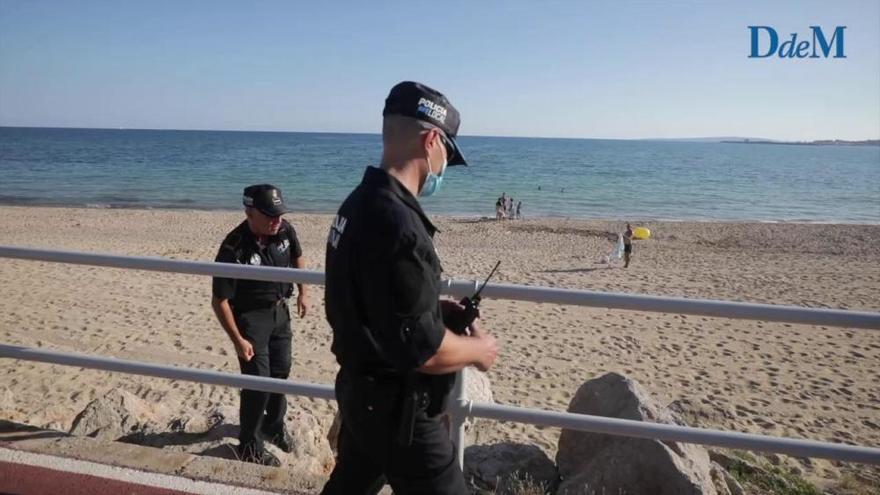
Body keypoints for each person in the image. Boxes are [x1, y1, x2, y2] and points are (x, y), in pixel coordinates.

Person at [321, 81, 499, 494]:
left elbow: (368, 296)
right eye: (447, 156)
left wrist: (429, 307)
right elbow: (426, 351)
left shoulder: (357, 204)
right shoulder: (401, 226)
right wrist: (480, 351)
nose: (443, 168)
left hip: (358, 392)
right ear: (433, 139)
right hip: (401, 411)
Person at [211, 184, 309, 466]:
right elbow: (220, 301)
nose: (277, 220)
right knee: (257, 385)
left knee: (281, 373)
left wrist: (304, 292)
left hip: (280, 313)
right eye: (270, 215)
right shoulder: (234, 247)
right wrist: (238, 340)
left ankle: (274, 425)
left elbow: (297, 256)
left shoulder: (285, 230)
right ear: (250, 213)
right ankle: (249, 446)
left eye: (279, 213)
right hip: (251, 321)